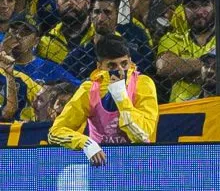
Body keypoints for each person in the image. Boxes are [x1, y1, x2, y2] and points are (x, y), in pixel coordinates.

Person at [47, 35, 158, 166]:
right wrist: (85, 143)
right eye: (112, 66)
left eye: (124, 63)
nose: (120, 71)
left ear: (130, 61)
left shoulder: (143, 84)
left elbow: (142, 136)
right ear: (99, 66)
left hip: (138, 164)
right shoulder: (89, 90)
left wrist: (121, 98)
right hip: (102, 165)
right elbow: (55, 132)